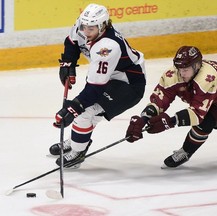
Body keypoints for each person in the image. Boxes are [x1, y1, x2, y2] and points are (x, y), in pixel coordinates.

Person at [125, 45, 217, 168]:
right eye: (179, 68)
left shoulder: (207, 78)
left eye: (186, 69)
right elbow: (160, 98)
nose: (182, 73)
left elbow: (197, 114)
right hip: (212, 98)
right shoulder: (173, 74)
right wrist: (144, 118)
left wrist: (170, 121)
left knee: (206, 123)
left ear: (197, 65)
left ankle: (186, 151)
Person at [49, 3, 146, 167]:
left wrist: (73, 107)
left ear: (102, 27)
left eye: (91, 29)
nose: (86, 32)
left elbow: (95, 88)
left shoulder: (107, 48)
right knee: (88, 113)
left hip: (128, 85)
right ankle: (77, 141)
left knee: (84, 113)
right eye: (84, 26)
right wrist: (68, 63)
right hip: (108, 77)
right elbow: (72, 42)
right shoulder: (84, 24)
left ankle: (78, 152)